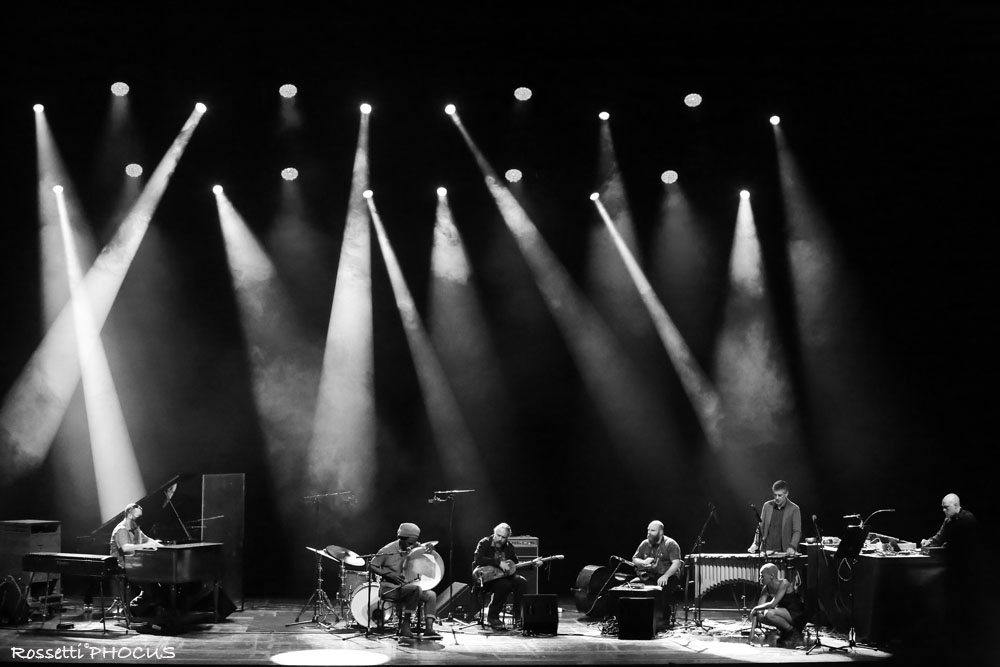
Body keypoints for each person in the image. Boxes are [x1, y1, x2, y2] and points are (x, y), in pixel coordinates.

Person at [370, 522, 441, 640]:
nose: (411, 546)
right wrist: (390, 574)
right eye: (409, 543)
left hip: (409, 588)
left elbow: (426, 554)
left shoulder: (415, 546)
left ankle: (429, 629)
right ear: (400, 538)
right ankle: (405, 625)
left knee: (431, 595)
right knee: (416, 589)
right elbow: (372, 565)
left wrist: (429, 550)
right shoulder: (387, 550)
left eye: (414, 543)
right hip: (390, 588)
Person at [472, 522, 542, 631]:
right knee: (504, 584)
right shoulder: (484, 543)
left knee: (521, 582)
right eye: (498, 535)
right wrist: (498, 562)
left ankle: (518, 615)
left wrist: (532, 565)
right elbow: (478, 559)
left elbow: (515, 565)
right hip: (487, 579)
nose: (500, 539)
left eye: (503, 537)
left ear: (507, 538)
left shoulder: (509, 547)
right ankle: (493, 616)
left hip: (504, 577)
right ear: (494, 533)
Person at [108, 502, 163, 615]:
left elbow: (147, 540)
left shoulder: (135, 529)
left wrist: (163, 547)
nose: (140, 519)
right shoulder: (121, 530)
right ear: (129, 515)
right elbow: (126, 548)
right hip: (123, 567)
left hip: (136, 565)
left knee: (156, 585)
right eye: (138, 516)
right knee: (151, 586)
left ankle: (141, 610)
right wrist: (145, 546)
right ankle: (131, 610)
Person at [750, 562, 807, 646]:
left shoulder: (784, 583)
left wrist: (755, 608)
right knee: (760, 615)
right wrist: (751, 636)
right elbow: (757, 610)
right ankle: (785, 631)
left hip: (795, 614)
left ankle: (794, 633)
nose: (760, 578)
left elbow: (772, 604)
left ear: (772, 576)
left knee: (769, 613)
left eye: (762, 576)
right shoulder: (766, 589)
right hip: (782, 614)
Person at [748, 480, 802, 557]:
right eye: (775, 495)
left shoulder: (794, 509)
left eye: (779, 495)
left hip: (784, 552)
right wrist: (755, 543)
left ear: (786, 494)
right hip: (767, 551)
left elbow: (797, 531)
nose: (777, 498)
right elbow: (760, 526)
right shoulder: (767, 506)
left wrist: (792, 546)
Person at [631, 520, 684, 591]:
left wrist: (665, 576)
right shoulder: (644, 543)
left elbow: (677, 563)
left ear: (661, 532)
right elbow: (635, 559)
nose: (649, 533)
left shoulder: (670, 544)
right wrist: (643, 562)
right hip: (650, 576)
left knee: (661, 591)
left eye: (652, 530)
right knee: (631, 586)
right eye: (648, 530)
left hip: (668, 576)